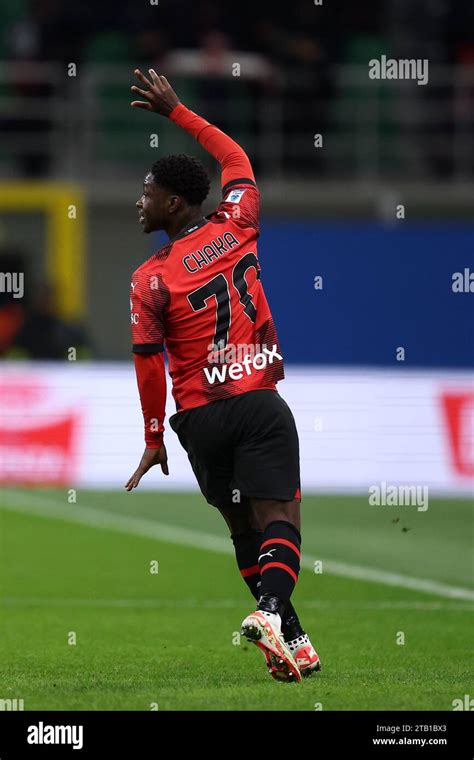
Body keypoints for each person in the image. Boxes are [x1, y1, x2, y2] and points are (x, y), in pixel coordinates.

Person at [125, 68, 320, 682]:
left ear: (174, 203)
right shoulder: (238, 221)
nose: (141, 199)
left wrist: (155, 437)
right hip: (257, 404)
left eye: (149, 191)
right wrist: (179, 112)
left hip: (199, 419)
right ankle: (270, 610)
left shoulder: (149, 277)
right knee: (280, 520)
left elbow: (148, 363)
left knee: (243, 529)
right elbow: (235, 156)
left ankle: (294, 642)